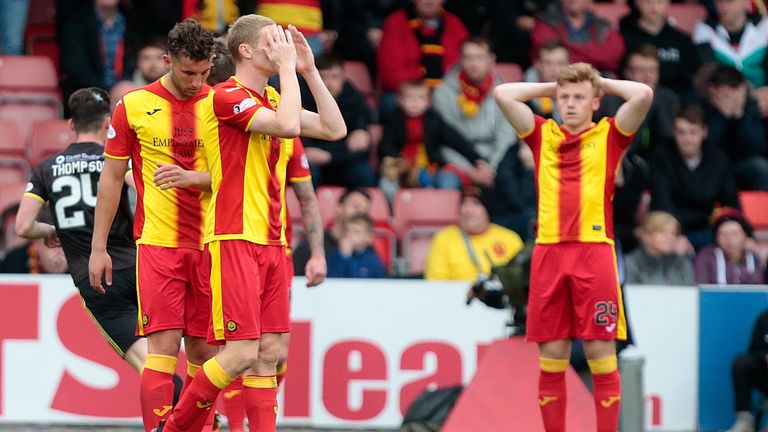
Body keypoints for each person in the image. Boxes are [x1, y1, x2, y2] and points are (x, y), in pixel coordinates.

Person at [158, 15, 345, 432]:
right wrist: (285, 67)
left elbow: (335, 128)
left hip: (274, 243)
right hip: (234, 237)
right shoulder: (225, 96)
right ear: (246, 51)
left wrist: (309, 69)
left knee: (268, 353)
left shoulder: (278, 97)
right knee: (240, 353)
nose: (279, 46)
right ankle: (175, 427)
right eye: (270, 42)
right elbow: (288, 126)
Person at [494, 62, 653, 431]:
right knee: (552, 357)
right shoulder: (541, 134)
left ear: (595, 102)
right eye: (563, 98)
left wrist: (599, 83)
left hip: (594, 253)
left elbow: (643, 94)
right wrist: (554, 86)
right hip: (548, 253)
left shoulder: (610, 136)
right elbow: (503, 93)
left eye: (578, 98)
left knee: (601, 354)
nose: (569, 104)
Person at [12, 87, 185, 404]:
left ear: (70, 124)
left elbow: (23, 226)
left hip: (96, 278)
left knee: (147, 363)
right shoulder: (115, 160)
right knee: (170, 351)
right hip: (140, 264)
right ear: (108, 123)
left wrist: (50, 230)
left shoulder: (46, 169)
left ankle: (195, 413)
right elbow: (149, 191)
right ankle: (199, 409)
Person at [88, 20, 219, 431]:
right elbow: (111, 177)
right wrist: (98, 248)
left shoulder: (223, 104)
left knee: (203, 352)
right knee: (161, 351)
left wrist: (196, 179)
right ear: (167, 61)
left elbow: (243, 178)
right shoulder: (134, 105)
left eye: (204, 72)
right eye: (187, 73)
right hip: (158, 245)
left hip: (213, 245)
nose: (197, 82)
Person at [379, 79, 495, 202]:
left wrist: (476, 159)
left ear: (428, 102)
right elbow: (385, 146)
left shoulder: (434, 120)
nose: (414, 102)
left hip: (430, 168)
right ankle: (399, 215)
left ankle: (440, 214)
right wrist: (398, 161)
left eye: (420, 98)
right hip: (401, 169)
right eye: (409, 97)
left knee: (448, 181)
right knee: (387, 186)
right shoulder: (392, 120)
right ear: (400, 101)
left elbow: (456, 140)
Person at [650, 105, 741, 249]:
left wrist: (741, 234)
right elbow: (662, 202)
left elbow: (730, 201)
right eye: (681, 132)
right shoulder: (661, 157)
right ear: (674, 132)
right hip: (674, 230)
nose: (687, 138)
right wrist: (675, 235)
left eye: (693, 132)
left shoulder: (718, 158)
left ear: (704, 132)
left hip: (709, 229)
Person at [432, 36, 519, 170]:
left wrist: (491, 169)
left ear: (492, 60)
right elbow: (446, 139)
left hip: (495, 159)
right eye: (468, 57)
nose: (474, 64)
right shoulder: (444, 92)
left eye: (480, 57)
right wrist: (471, 171)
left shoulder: (503, 92)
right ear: (461, 60)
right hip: (458, 159)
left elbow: (506, 137)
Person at [301, 54, 376, 188]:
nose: (329, 83)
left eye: (335, 77)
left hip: (341, 160)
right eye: (323, 77)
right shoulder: (300, 95)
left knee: (363, 173)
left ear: (344, 78)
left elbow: (360, 147)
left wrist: (330, 155)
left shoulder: (355, 100)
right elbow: (300, 142)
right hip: (312, 160)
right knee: (305, 171)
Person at [597, 44, 679, 159]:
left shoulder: (669, 98)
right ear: (628, 72)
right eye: (640, 70)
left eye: (652, 70)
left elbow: (669, 139)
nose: (647, 76)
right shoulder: (612, 99)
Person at [425, 193, 523, 281]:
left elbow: (522, 279)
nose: (468, 210)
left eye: (476, 203)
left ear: (487, 208)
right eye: (464, 204)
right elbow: (436, 282)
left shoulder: (510, 238)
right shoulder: (444, 238)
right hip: (458, 299)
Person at [378, 0, 469, 94]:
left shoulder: (455, 24)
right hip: (407, 94)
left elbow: (468, 65)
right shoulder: (395, 22)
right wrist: (422, 92)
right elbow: (391, 74)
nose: (429, 1)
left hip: (447, 94)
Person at [702, 65, 768, 191]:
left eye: (733, 91)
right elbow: (706, 147)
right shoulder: (705, 108)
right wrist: (723, 117)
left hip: (741, 166)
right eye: (725, 93)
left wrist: (739, 116)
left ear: (742, 90)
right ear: (713, 91)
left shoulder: (751, 108)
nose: (730, 98)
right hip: (712, 167)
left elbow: (756, 148)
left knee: (760, 167)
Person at [619, 0, 701, 101]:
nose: (654, 7)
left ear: (668, 3)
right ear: (638, 3)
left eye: (659, 2)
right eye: (648, 2)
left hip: (678, 99)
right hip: (637, 97)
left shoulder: (682, 40)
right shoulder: (623, 37)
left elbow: (692, 76)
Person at [59, 0, 138, 103]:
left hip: (127, 89)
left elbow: (138, 61)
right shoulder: (77, 24)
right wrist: (107, 91)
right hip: (88, 94)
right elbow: (76, 69)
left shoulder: (134, 21)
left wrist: (123, 85)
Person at [530, 0, 626, 75]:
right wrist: (597, 56)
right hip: (555, 81)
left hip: (597, 83)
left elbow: (611, 57)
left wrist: (567, 52)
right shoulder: (545, 22)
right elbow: (547, 54)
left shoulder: (603, 26)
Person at [293, 187, 372, 276]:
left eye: (365, 210)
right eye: (356, 207)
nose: (360, 213)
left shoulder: (367, 250)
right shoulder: (312, 245)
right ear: (339, 208)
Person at [693, 0, 768, 89]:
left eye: (730, 1)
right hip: (726, 96)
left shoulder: (764, 26)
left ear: (745, 2)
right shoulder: (705, 31)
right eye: (719, 1)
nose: (723, 6)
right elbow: (708, 71)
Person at [695, 208, 766, 285]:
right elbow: (702, 288)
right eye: (723, 234)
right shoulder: (706, 256)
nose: (730, 239)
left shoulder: (754, 256)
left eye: (734, 234)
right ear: (716, 238)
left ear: (744, 235)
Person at [725, 307, 768, 432]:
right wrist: (764, 356)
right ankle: (745, 420)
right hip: (764, 373)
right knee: (741, 363)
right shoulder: (764, 317)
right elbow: (754, 349)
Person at [624, 211, 695, 285]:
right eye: (662, 232)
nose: (669, 237)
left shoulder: (682, 263)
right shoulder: (631, 263)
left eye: (673, 233)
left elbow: (690, 292)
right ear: (646, 235)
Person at [327, 214, 387, 278]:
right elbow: (333, 280)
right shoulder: (334, 256)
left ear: (369, 237)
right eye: (347, 230)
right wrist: (344, 257)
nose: (349, 234)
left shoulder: (373, 260)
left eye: (356, 231)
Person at [524, 39, 570, 122]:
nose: (555, 69)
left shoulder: (579, 94)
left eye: (560, 63)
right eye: (548, 63)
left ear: (568, 65)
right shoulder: (523, 96)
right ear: (538, 65)